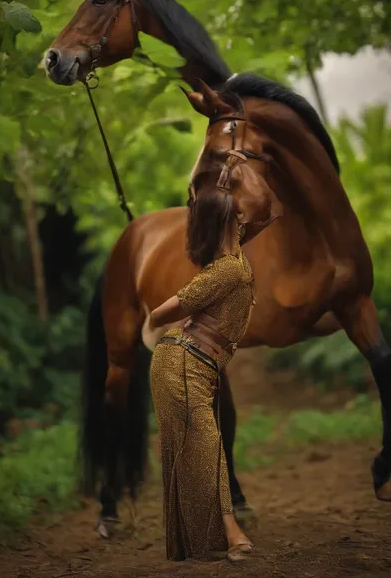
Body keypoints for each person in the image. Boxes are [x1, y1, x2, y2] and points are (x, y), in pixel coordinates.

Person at [149, 185, 275, 562]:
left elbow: (254, 220)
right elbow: (159, 314)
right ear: (223, 222)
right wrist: (186, 316)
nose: (242, 217)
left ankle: (190, 545)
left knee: (192, 453)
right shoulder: (225, 271)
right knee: (209, 449)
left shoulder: (233, 259)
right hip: (181, 365)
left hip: (197, 367)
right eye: (234, 213)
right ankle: (233, 535)